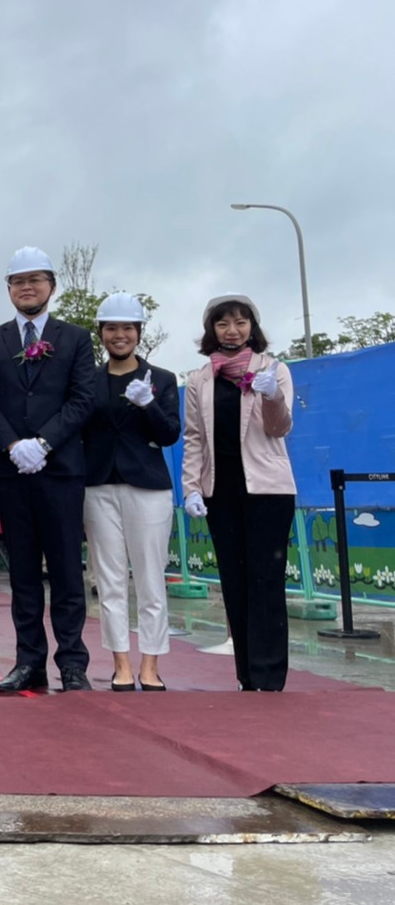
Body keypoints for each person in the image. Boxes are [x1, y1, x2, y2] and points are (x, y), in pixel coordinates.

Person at [0, 247, 95, 693]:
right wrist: (11, 445)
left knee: (64, 570)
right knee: (21, 572)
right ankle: (29, 661)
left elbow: (83, 399)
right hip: (10, 472)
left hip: (60, 470)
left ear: (51, 286)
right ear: (8, 289)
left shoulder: (76, 338)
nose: (27, 287)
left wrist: (43, 443)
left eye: (35, 280)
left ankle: (74, 663)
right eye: (18, 281)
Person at [181, 294, 295, 692]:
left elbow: (279, 429)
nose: (232, 330)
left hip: (268, 490)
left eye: (240, 322)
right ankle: (247, 673)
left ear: (253, 327)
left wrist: (272, 396)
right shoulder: (200, 379)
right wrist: (191, 487)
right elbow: (194, 437)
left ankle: (270, 673)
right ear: (211, 330)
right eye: (223, 323)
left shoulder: (274, 370)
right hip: (221, 490)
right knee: (234, 577)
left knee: (266, 577)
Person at [81, 293, 181, 692]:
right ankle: (121, 662)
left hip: (148, 487)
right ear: (101, 333)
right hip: (99, 485)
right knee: (110, 580)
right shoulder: (87, 379)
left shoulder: (163, 379)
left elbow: (169, 434)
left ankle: (151, 664)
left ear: (139, 332)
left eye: (127, 328)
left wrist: (149, 405)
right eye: (111, 328)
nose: (119, 335)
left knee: (151, 578)